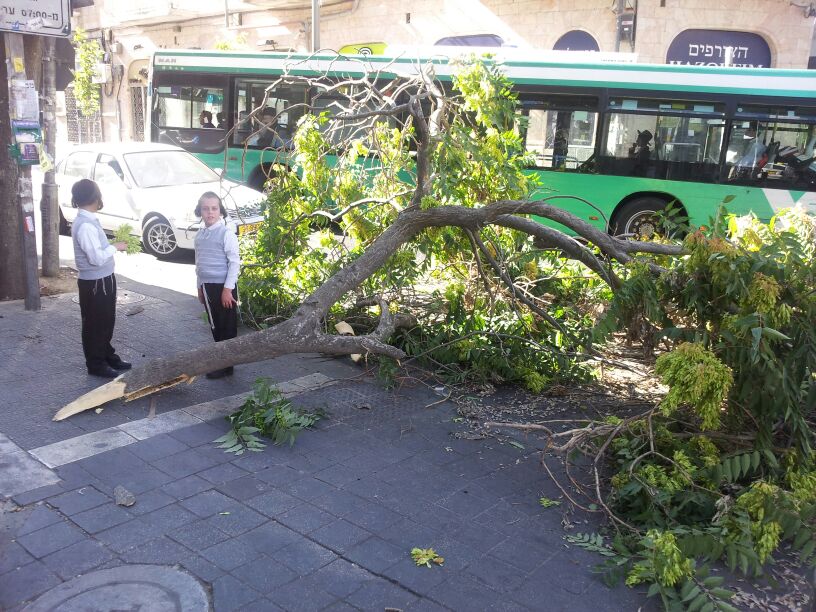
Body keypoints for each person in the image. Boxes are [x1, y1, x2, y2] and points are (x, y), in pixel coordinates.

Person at [70, 179, 131, 378]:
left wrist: (111, 245)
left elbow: (97, 250)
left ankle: (106, 355)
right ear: (95, 197)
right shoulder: (85, 225)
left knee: (106, 321)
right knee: (96, 324)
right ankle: (96, 364)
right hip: (95, 283)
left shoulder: (89, 220)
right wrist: (117, 246)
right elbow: (95, 258)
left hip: (103, 279)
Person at [194, 191, 240, 379]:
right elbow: (199, 263)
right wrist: (199, 287)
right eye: (206, 209)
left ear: (220, 211)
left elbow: (234, 262)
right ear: (200, 211)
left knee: (226, 326)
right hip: (208, 286)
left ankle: (226, 364)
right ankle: (222, 362)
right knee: (215, 325)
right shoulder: (200, 235)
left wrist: (228, 290)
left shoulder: (226, 234)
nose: (210, 213)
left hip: (224, 288)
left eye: (214, 208)